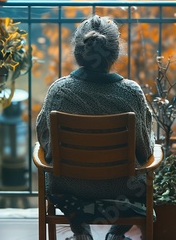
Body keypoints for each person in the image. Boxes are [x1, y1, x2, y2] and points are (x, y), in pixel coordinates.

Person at [36, 15, 155, 240]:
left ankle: (80, 233)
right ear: (114, 53)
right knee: (145, 179)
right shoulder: (131, 93)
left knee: (50, 175)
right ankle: (116, 235)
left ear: (78, 52)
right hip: (122, 190)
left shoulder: (59, 92)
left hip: (68, 189)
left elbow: (46, 145)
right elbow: (146, 150)